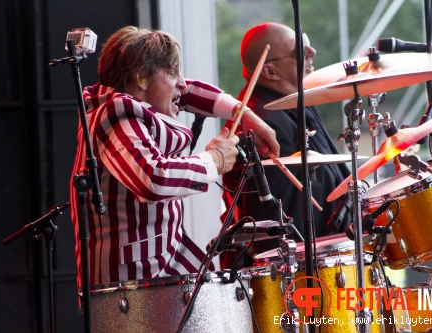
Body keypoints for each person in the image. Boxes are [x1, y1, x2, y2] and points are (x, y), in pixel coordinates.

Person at [69, 26, 279, 290]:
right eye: (172, 72)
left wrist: (244, 112)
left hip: (160, 262)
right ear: (140, 79)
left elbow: (186, 91)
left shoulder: (131, 96)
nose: (182, 82)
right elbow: (153, 179)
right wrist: (214, 159)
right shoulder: (116, 113)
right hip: (131, 284)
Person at [221, 22, 352, 268]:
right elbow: (279, 225)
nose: (311, 51)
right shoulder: (264, 125)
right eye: (298, 51)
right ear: (270, 72)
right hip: (288, 277)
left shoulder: (292, 103)